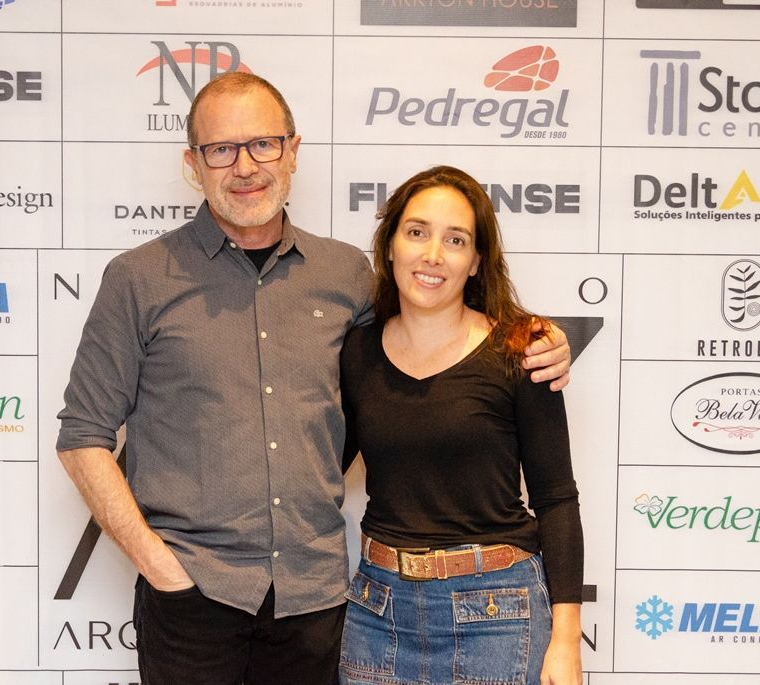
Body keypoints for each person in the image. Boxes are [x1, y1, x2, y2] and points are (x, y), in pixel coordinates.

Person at [56, 73, 572, 684]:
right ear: (193, 164)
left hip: (317, 603)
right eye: (221, 149)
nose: (244, 166)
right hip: (192, 599)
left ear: (293, 151)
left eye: (264, 144)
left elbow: (429, 334)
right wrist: (162, 569)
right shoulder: (139, 280)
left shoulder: (346, 275)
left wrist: (531, 335)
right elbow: (82, 438)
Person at [339, 166, 584, 685]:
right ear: (389, 246)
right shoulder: (356, 352)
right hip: (376, 612)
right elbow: (316, 468)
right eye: (417, 232)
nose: (432, 255)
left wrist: (565, 641)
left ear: (476, 261)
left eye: (455, 240)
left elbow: (557, 499)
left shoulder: (521, 351)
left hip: (497, 617)